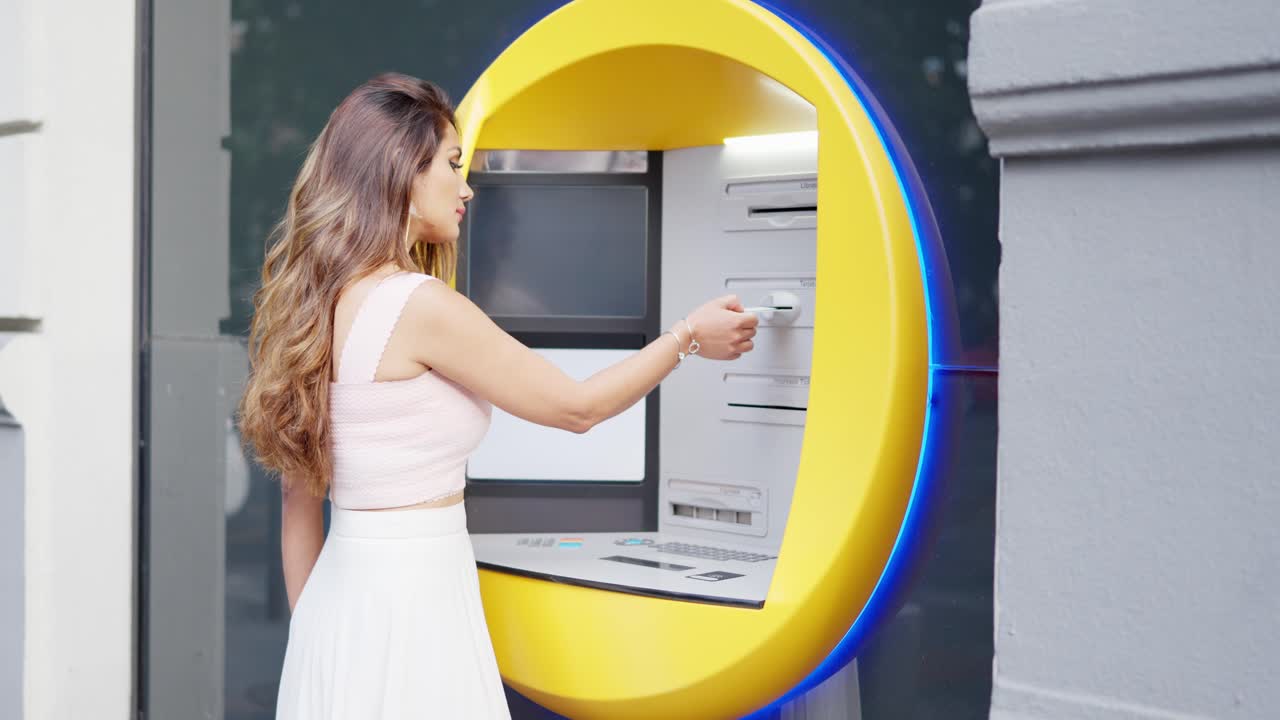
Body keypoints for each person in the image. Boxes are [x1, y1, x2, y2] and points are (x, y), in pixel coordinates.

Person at [236, 72, 758, 719]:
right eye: (452, 165)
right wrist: (686, 336)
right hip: (416, 604)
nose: (467, 186)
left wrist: (316, 634)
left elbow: (298, 505)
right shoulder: (417, 305)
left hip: (338, 605)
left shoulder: (321, 306)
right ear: (401, 170)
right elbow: (577, 407)